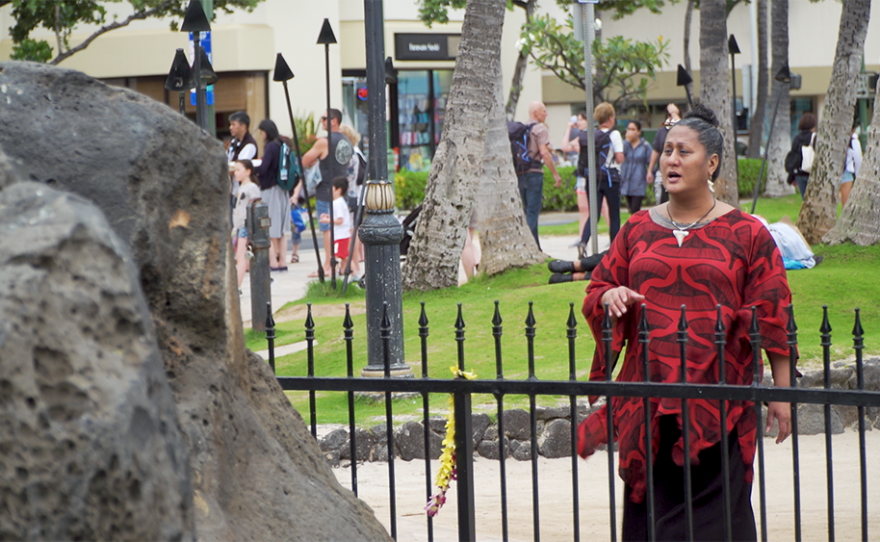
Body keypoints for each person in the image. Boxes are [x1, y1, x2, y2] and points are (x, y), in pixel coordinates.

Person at [577, 104, 793, 542]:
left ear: (711, 163)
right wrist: (611, 295)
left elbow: (773, 312)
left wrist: (782, 395)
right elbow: (598, 287)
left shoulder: (748, 232)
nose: (671, 160)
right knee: (652, 519)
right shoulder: (637, 229)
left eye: (684, 151)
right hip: (650, 402)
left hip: (720, 401)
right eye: (668, 150)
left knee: (716, 525)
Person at [302, 108, 353, 278]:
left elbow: (305, 160)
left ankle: (327, 265)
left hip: (326, 190)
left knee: (327, 229)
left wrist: (315, 160)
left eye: (324, 118)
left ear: (333, 120)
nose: (321, 121)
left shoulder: (324, 141)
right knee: (342, 228)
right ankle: (343, 263)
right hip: (342, 189)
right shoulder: (346, 140)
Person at [569, 102, 625, 252]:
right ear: (611, 118)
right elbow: (619, 157)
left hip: (592, 178)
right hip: (610, 178)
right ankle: (615, 248)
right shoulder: (614, 134)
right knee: (614, 214)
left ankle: (583, 241)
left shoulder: (589, 134)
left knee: (593, 213)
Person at [561, 110, 610, 253]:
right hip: (582, 175)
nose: (578, 123)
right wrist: (569, 128)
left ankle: (614, 234)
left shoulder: (593, 135)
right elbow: (565, 147)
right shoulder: (580, 136)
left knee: (602, 207)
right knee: (584, 209)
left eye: (581, 120)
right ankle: (582, 238)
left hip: (595, 175)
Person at [518, 101, 562, 249]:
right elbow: (543, 152)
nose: (546, 114)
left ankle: (530, 246)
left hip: (520, 173)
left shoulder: (522, 128)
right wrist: (555, 174)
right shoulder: (540, 128)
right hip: (534, 174)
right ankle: (533, 247)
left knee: (526, 211)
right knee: (532, 212)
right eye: (543, 111)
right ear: (535, 113)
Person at [253, 119, 291, 271]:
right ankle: (282, 262)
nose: (261, 135)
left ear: (266, 131)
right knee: (282, 231)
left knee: (270, 226)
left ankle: (273, 263)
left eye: (262, 132)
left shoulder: (270, 147)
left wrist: (254, 167)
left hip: (270, 189)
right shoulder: (282, 145)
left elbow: (263, 169)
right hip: (283, 189)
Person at [230, 160, 262, 288]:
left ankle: (236, 287)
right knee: (241, 257)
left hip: (246, 225)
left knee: (241, 257)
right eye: (235, 170)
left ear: (248, 172)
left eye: (238, 170)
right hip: (239, 226)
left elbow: (257, 207)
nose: (235, 173)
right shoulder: (240, 187)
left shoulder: (251, 187)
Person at [647, 103, 682, 204]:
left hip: (678, 169)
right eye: (669, 116)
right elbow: (656, 150)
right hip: (662, 171)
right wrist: (650, 170)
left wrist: (675, 113)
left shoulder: (682, 131)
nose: (671, 118)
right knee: (661, 198)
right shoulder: (662, 132)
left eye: (673, 116)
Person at [318, 177, 353, 275]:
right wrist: (328, 217)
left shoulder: (338, 203)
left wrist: (327, 220)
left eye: (332, 188)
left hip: (341, 235)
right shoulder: (338, 202)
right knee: (342, 255)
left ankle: (347, 270)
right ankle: (344, 270)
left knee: (339, 255)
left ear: (339, 190)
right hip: (341, 234)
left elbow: (340, 220)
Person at [620, 120, 652, 214]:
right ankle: (634, 227)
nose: (630, 131)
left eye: (633, 129)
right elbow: (621, 156)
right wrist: (626, 141)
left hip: (638, 181)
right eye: (628, 129)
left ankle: (635, 227)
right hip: (626, 181)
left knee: (635, 209)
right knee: (631, 210)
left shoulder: (645, 146)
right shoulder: (624, 144)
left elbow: (650, 161)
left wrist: (650, 172)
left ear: (638, 132)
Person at [787, 112, 817, 198]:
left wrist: (792, 177)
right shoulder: (814, 137)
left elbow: (794, 158)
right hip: (811, 173)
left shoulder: (797, 138)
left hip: (799, 174)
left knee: (805, 199)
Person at [840, 124, 861, 206]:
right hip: (846, 172)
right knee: (846, 203)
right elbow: (857, 159)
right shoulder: (853, 141)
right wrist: (857, 175)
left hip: (833, 171)